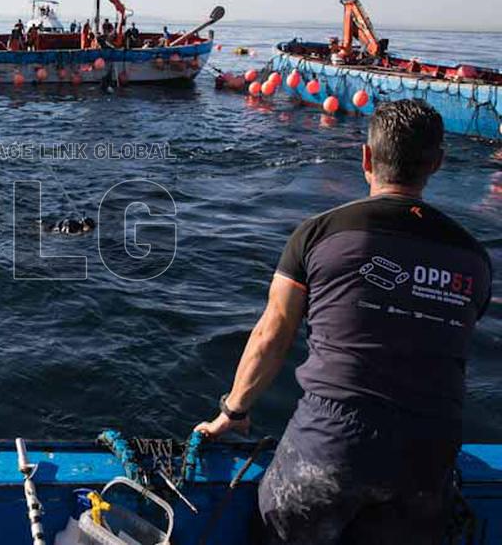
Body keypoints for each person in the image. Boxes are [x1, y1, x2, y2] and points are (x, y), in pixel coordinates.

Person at [194, 100, 493, 544]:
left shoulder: (318, 233)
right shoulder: (474, 258)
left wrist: (232, 413)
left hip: (332, 439)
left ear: (367, 158)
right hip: (429, 451)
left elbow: (273, 332)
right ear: (437, 163)